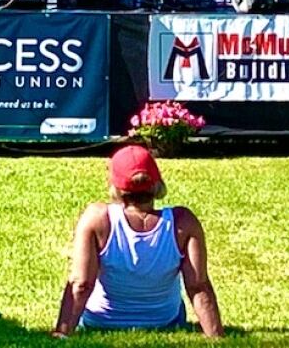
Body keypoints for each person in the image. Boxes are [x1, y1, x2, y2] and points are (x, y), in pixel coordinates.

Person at [52, 144, 223, 339]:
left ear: (116, 186)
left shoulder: (98, 219)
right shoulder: (183, 222)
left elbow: (81, 284)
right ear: (156, 183)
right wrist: (215, 337)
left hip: (100, 321)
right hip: (164, 322)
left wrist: (62, 334)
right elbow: (198, 286)